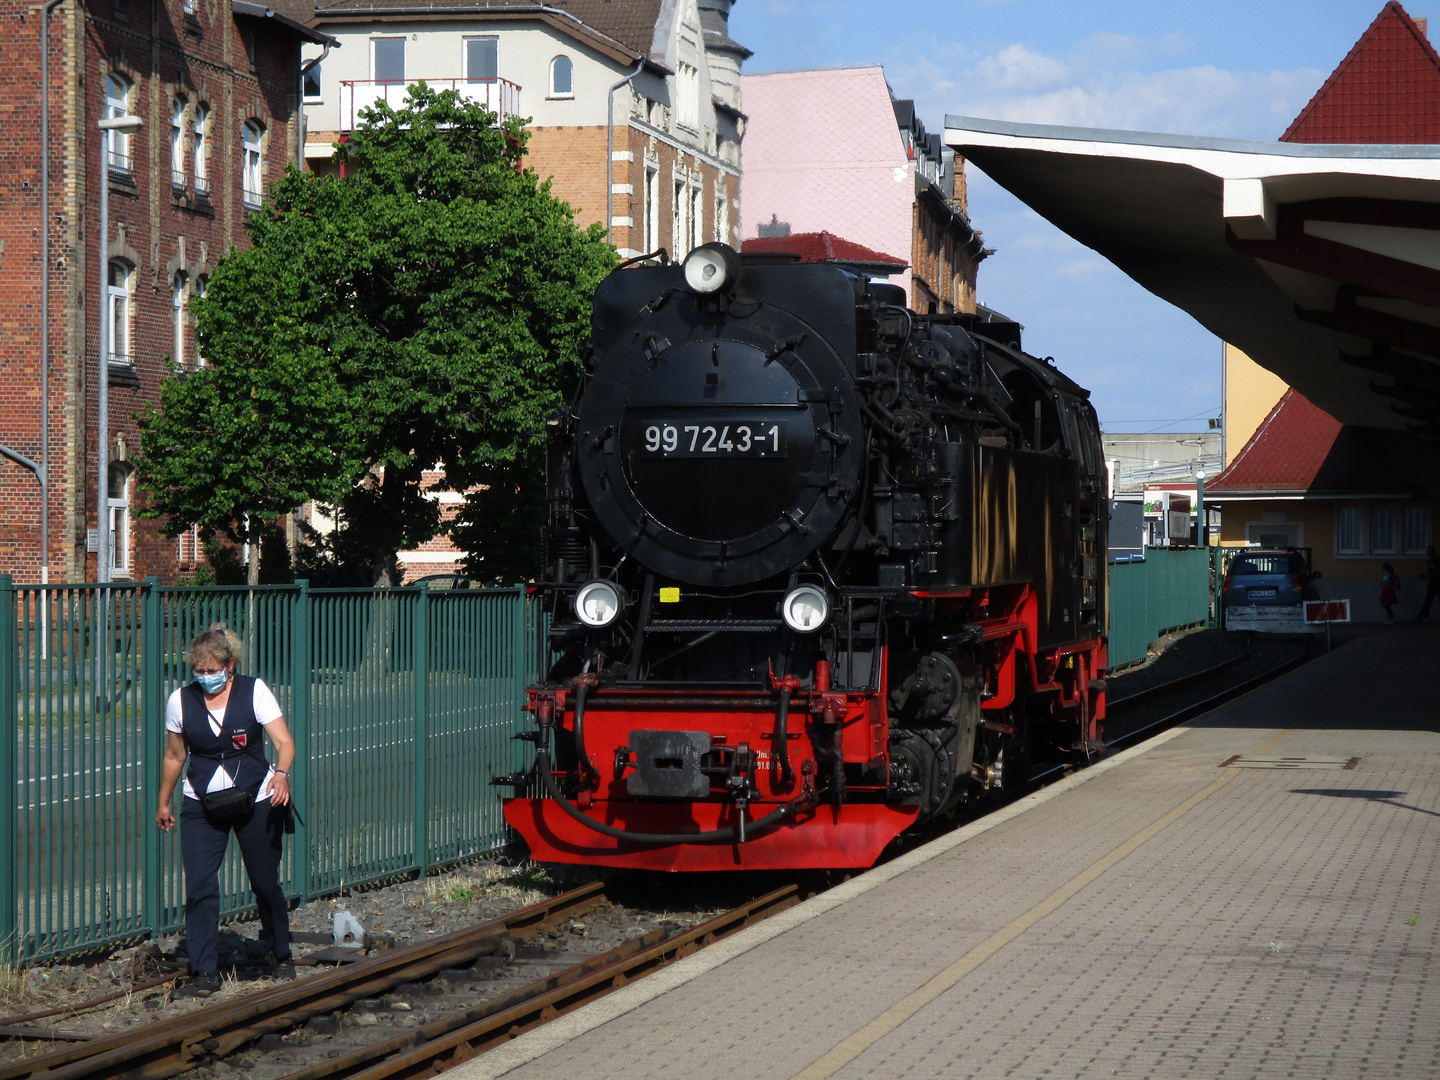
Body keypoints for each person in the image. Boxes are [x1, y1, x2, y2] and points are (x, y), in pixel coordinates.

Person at [156, 627, 297, 995]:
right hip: (201, 804)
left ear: (229, 665)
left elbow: (284, 742)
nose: (206, 677)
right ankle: (205, 973)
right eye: (199, 671)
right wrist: (164, 801)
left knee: (264, 882)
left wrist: (281, 775)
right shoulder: (180, 701)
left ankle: (280, 954)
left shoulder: (255, 691)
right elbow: (175, 755)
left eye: (212, 669)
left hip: (257, 799)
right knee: (200, 886)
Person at [1420, 545, 1440, 621]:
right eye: (1427, 552)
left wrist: (1428, 575)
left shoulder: (1437, 560)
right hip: (1432, 582)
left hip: (1438, 582)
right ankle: (1424, 615)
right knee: (1428, 599)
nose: (1428, 553)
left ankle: (1424, 615)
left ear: (1433, 552)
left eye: (1429, 552)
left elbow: (1438, 572)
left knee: (1429, 599)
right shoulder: (1430, 561)